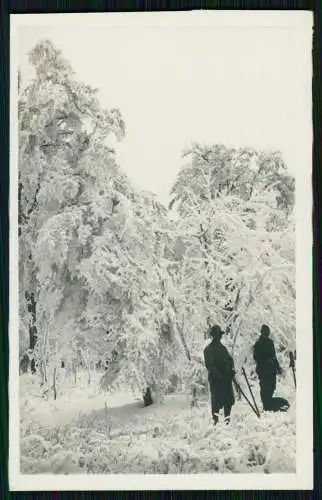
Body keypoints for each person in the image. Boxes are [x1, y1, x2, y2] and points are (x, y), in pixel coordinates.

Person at [203, 325, 235, 425]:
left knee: (228, 401)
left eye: (219, 335)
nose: (219, 337)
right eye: (217, 335)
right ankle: (215, 422)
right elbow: (210, 366)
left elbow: (230, 361)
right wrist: (220, 376)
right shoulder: (208, 350)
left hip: (226, 380)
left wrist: (230, 371)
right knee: (216, 402)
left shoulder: (223, 349)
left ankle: (227, 421)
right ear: (214, 336)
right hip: (216, 381)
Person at [253, 324, 282, 410]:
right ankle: (266, 406)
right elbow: (256, 357)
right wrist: (265, 360)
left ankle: (269, 405)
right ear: (261, 332)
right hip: (263, 371)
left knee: (272, 387)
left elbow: (274, 356)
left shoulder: (270, 342)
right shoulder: (258, 344)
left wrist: (278, 367)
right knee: (264, 389)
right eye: (265, 332)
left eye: (268, 332)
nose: (266, 333)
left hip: (271, 370)